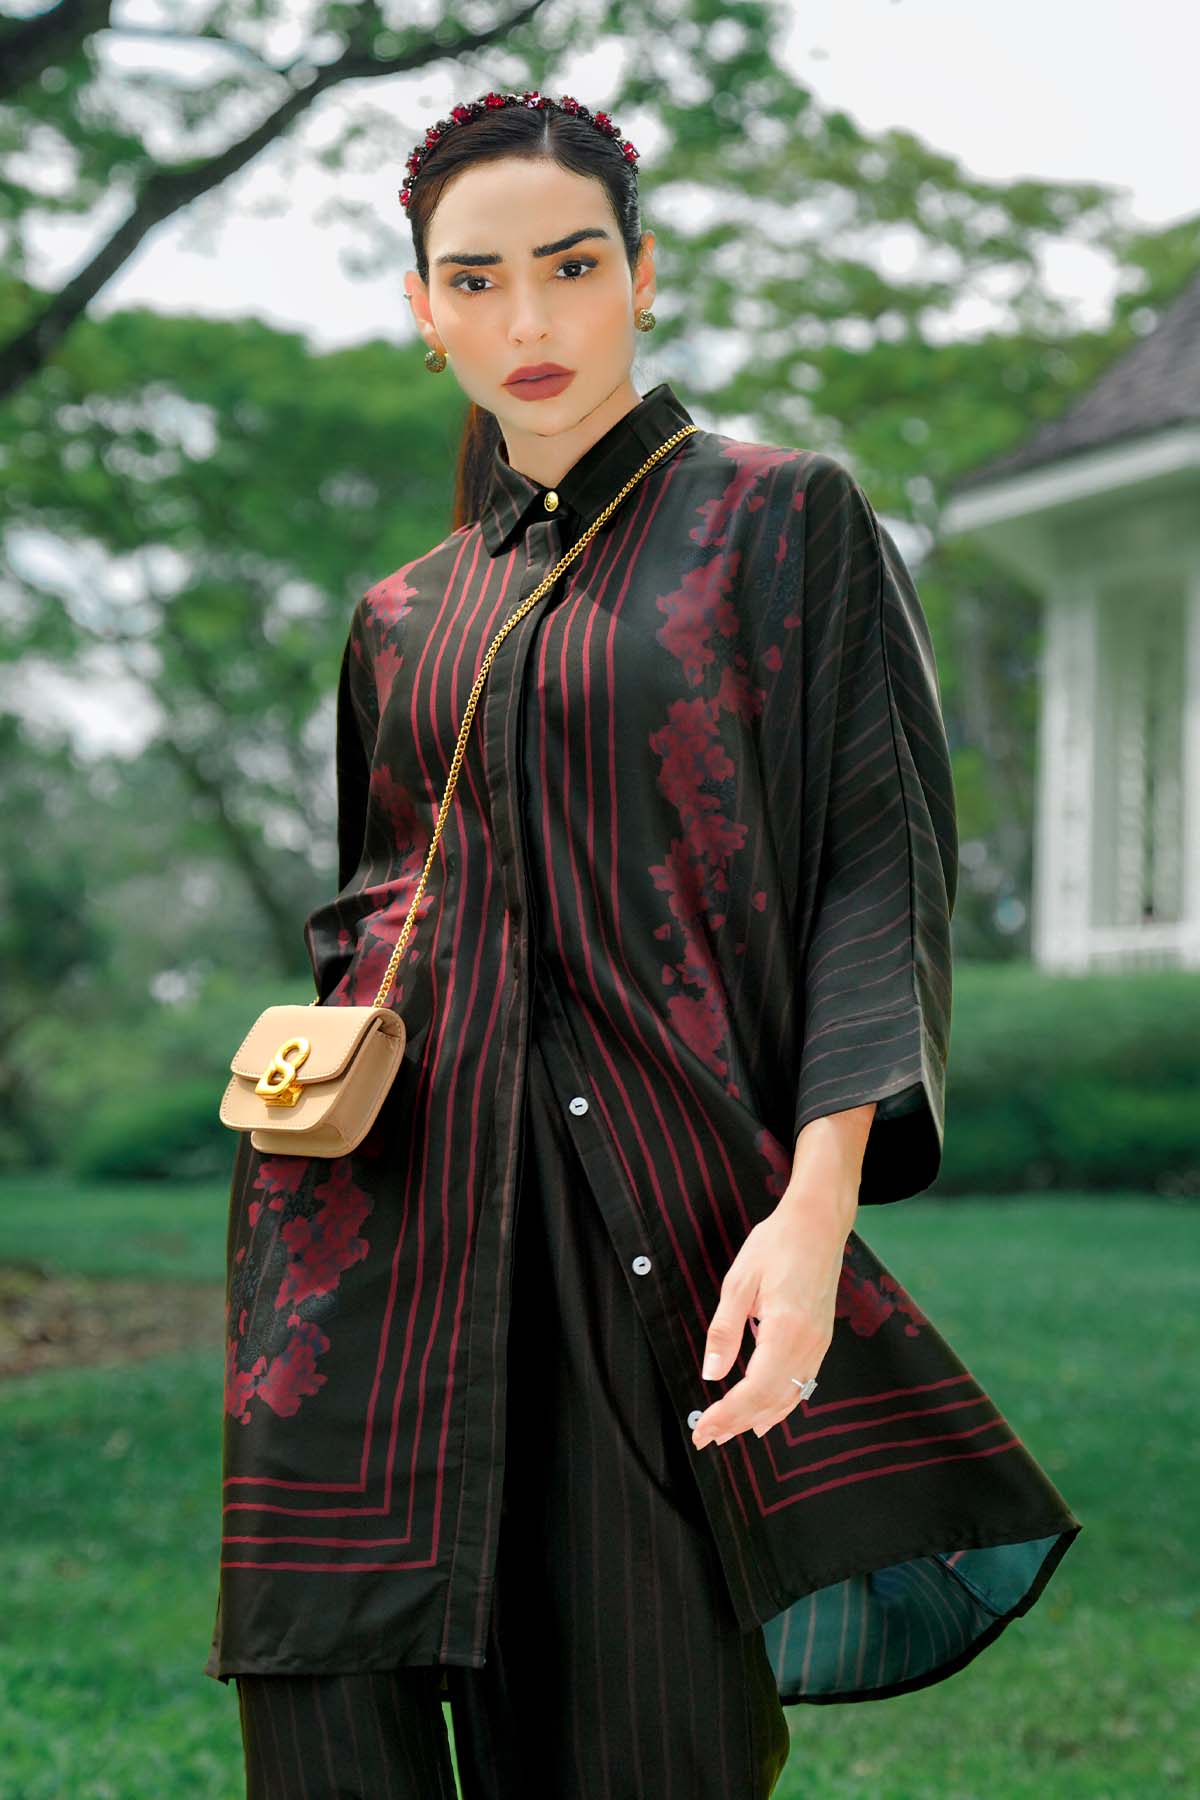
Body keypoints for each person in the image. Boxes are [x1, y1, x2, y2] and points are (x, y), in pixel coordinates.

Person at [207, 89, 1082, 1798]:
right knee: (327, 1730)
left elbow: (874, 876)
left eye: (572, 265)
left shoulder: (781, 522)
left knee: (646, 1732)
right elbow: (366, 919)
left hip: (642, 1231)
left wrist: (812, 1217)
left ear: (643, 275)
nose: (526, 320)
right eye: (475, 281)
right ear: (423, 309)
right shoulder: (400, 614)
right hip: (366, 1245)